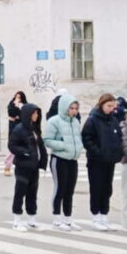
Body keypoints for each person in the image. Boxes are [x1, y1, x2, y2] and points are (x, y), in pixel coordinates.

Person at [81, 93, 123, 231]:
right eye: (108, 106)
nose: (111, 108)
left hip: (109, 160)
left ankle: (104, 215)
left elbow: (118, 137)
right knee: (96, 188)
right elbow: (86, 138)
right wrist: (97, 152)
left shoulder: (113, 119)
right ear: (102, 105)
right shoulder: (93, 119)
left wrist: (118, 151)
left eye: (113, 106)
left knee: (107, 189)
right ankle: (96, 216)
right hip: (96, 161)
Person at [43, 93, 82, 230]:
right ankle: (56, 218)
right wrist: (64, 146)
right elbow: (47, 140)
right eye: (71, 108)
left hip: (73, 159)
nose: (74, 111)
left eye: (76, 108)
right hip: (59, 159)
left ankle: (68, 218)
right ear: (64, 107)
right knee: (60, 188)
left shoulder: (76, 122)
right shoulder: (54, 121)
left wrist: (79, 148)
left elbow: (78, 138)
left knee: (70, 190)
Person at [9, 103, 48, 231]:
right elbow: (12, 145)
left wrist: (42, 160)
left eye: (37, 113)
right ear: (27, 114)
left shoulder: (35, 129)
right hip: (23, 166)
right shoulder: (19, 129)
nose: (36, 115)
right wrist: (25, 152)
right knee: (20, 192)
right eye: (34, 113)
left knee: (32, 193)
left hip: (34, 167)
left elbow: (40, 146)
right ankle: (17, 220)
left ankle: (31, 219)